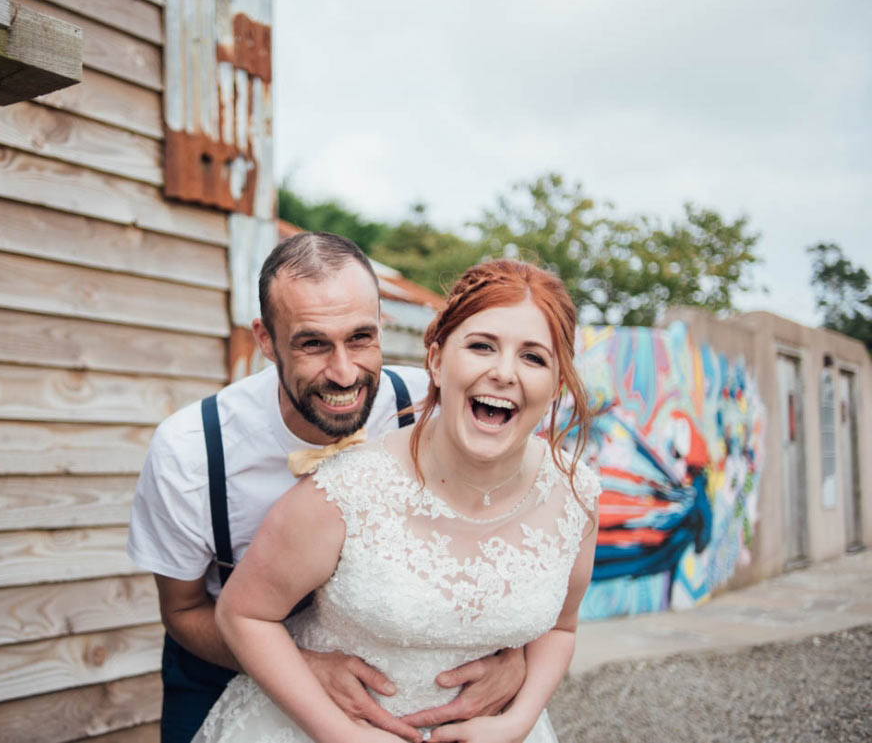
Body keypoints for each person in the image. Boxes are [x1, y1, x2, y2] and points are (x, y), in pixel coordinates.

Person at [127, 233, 526, 743]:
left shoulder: (435, 408)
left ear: (382, 325)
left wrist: (514, 656)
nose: (343, 373)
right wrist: (298, 666)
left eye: (361, 338)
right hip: (224, 671)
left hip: (393, 682)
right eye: (313, 343)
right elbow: (182, 611)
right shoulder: (190, 451)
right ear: (266, 340)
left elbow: (520, 541)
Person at [193, 258, 601, 743]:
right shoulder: (345, 492)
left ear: (557, 384)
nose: (503, 373)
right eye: (481, 346)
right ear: (435, 360)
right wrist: (344, 736)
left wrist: (518, 720)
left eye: (533, 357)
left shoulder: (575, 495)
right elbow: (243, 614)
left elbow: (561, 629)